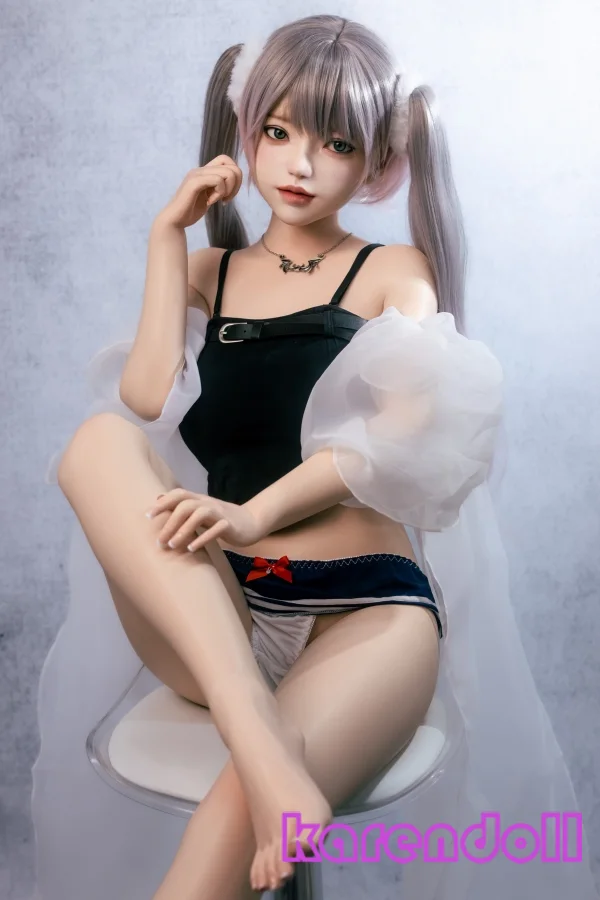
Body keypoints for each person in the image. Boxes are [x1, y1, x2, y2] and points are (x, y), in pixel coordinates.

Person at [30, 13, 599, 900]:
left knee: (211, 861)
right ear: (246, 131)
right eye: (278, 131)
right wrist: (165, 237)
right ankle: (261, 737)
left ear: (377, 162)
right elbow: (143, 396)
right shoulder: (208, 274)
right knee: (98, 442)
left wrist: (254, 513)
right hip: (226, 616)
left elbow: (400, 440)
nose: (300, 164)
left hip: (363, 612)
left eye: (336, 143)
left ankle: (262, 758)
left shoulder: (393, 270)